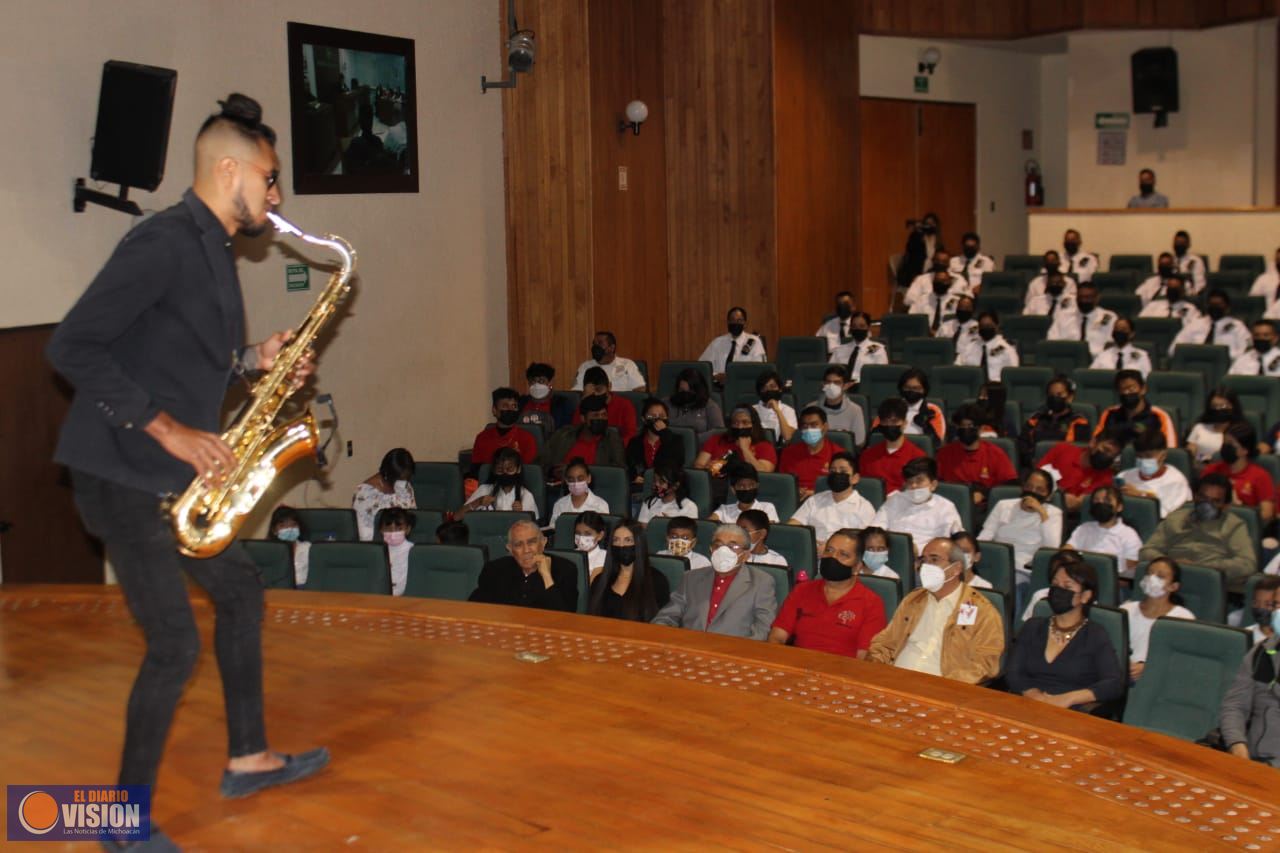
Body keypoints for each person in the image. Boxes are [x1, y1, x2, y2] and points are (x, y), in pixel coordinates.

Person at [45, 93, 327, 824]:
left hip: (168, 474)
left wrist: (251, 361)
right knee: (172, 644)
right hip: (120, 470)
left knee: (238, 594)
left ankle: (248, 757)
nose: (276, 193)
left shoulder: (211, 248)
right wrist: (168, 429)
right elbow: (70, 345)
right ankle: (119, 820)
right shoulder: (164, 241)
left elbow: (173, 356)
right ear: (227, 167)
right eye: (268, 176)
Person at [866, 537, 1004, 683]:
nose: (926, 566)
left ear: (956, 569)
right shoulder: (913, 600)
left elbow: (985, 663)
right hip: (895, 678)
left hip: (942, 687)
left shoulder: (981, 610)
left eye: (934, 559)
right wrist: (876, 669)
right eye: (923, 560)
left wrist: (946, 687)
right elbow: (885, 643)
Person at [1007, 553, 1125, 711]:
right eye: (1055, 585)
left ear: (1085, 596)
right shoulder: (1033, 626)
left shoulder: (1095, 634)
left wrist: (1068, 699)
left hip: (1070, 712)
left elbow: (1113, 683)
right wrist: (1035, 695)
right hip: (1028, 705)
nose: (1058, 591)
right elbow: (1014, 672)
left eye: (1067, 587)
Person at [769, 529, 887, 658]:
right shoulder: (802, 590)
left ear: (857, 567)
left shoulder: (871, 603)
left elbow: (864, 657)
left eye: (843, 554)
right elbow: (777, 637)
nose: (833, 558)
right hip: (798, 667)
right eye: (829, 550)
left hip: (841, 673)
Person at [651, 524, 778, 639]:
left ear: (746, 555)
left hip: (732, 654)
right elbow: (667, 616)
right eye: (718, 545)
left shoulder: (761, 582)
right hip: (689, 648)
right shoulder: (691, 578)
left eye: (733, 546)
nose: (723, 551)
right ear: (711, 549)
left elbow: (763, 629)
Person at [1140, 473, 1256, 590]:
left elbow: (1247, 564)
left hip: (1208, 584)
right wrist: (1171, 564)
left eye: (1215, 501)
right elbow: (1147, 550)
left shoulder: (1234, 525)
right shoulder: (1176, 518)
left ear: (1225, 506)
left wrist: (1200, 568)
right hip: (1169, 580)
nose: (1207, 505)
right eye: (1203, 498)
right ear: (1195, 496)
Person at [978, 469, 1063, 588]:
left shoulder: (1053, 513)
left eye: (1039, 490)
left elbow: (1052, 548)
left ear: (1048, 496)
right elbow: (985, 537)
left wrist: (1042, 512)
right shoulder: (1004, 505)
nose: (1032, 492)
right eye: (1029, 486)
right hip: (996, 564)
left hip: (1024, 569)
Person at [470, 519, 578, 611]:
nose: (526, 550)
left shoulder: (565, 570)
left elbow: (565, 618)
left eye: (531, 542)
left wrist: (547, 576)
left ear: (543, 542)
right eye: (518, 545)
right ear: (510, 549)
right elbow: (474, 608)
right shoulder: (494, 570)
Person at [1120, 557, 1194, 681]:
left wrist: (1148, 668)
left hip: (1158, 679)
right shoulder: (1126, 609)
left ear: (1173, 586)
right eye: (1149, 573)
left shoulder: (1183, 618)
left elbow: (1181, 659)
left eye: (1160, 576)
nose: (1151, 579)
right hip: (1120, 675)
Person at [870, 458, 964, 556]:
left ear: (933, 484)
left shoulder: (946, 508)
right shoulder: (895, 500)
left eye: (919, 481)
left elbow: (955, 542)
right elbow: (875, 530)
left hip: (928, 561)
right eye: (910, 482)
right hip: (892, 556)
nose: (914, 486)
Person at [1220, 624, 1280, 767]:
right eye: (1276, 605)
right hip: (1251, 759)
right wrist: (1236, 744)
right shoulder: (1263, 651)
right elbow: (1235, 706)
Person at [789, 452, 876, 550]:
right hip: (810, 551)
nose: (837, 474)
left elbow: (865, 542)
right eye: (833, 471)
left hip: (842, 557)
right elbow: (793, 525)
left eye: (843, 471)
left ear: (855, 478)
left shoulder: (864, 507)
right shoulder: (815, 500)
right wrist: (809, 544)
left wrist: (830, 549)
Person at [936, 404, 1017, 508]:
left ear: (981, 428)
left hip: (985, 508)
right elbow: (936, 483)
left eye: (970, 426)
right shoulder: (944, 453)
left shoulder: (996, 454)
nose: (966, 429)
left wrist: (985, 494)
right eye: (962, 426)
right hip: (951, 506)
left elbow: (1010, 485)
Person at [587, 521, 670, 620]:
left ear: (639, 544)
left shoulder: (657, 581)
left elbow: (663, 622)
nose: (621, 545)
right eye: (616, 540)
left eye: (628, 540)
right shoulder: (600, 580)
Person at [1201, 421, 1276, 527]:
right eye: (1224, 442)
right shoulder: (1211, 470)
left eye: (1230, 444)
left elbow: (1267, 515)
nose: (1225, 447)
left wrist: (1240, 509)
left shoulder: (1260, 476)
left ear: (1244, 450)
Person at [540, 395, 626, 482]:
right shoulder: (563, 435)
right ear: (583, 418)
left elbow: (619, 471)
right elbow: (541, 463)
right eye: (595, 415)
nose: (601, 418)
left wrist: (573, 472)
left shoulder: (612, 439)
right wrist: (552, 472)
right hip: (558, 488)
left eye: (604, 415)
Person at [1035, 431, 1123, 513]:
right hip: (1036, 505)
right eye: (1106, 450)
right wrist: (1058, 497)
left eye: (1113, 455)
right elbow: (1035, 480)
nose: (1107, 457)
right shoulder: (1062, 450)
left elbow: (1074, 504)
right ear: (1093, 443)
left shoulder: (1106, 476)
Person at [1064, 485, 1142, 578]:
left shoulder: (1129, 535)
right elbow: (1066, 552)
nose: (1101, 503)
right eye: (1096, 500)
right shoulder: (1084, 528)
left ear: (1119, 507)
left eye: (1107, 501)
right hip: (1079, 579)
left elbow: (1131, 571)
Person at [1092, 369, 1178, 449]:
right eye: (1122, 389)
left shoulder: (1160, 416)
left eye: (1131, 388)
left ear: (1143, 389)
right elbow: (1095, 443)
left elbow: (1170, 449)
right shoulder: (1109, 413)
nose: (1126, 393)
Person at [1116, 428, 1191, 518]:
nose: (1143, 460)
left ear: (1163, 455)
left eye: (1148, 456)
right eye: (1139, 456)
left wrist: (1140, 495)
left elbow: (1164, 515)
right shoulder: (1123, 476)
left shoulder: (1176, 481)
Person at [1016, 376, 1090, 467]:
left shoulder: (1079, 422)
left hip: (1066, 466)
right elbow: (1022, 444)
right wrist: (1031, 460)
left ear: (1070, 397)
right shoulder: (1036, 419)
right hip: (1036, 466)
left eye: (1059, 394)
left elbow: (1080, 449)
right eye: (1051, 395)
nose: (1055, 398)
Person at [858, 399, 926, 494]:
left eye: (894, 421)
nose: (889, 425)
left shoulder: (918, 457)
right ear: (880, 424)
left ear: (904, 423)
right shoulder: (867, 455)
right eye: (885, 422)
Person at [457, 447, 540, 519]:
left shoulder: (525, 495)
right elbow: (457, 517)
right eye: (500, 470)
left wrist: (521, 515)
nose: (505, 473)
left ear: (518, 469)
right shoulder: (484, 489)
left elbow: (535, 527)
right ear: (494, 470)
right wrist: (478, 502)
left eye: (509, 469)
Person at [694, 405, 777, 476]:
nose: (740, 427)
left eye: (745, 422)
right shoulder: (716, 439)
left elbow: (763, 473)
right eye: (735, 423)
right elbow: (698, 466)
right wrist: (707, 468)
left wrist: (745, 449)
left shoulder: (765, 446)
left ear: (754, 424)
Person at [353, 448, 416, 541]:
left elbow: (412, 515)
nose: (403, 482)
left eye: (407, 477)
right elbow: (365, 535)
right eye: (400, 478)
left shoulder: (404, 485)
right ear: (388, 474)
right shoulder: (365, 494)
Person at [779, 406, 841, 498]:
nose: (808, 429)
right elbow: (783, 483)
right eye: (805, 426)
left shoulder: (838, 454)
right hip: (795, 500)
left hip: (826, 500)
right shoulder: (788, 452)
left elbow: (842, 487)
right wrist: (794, 491)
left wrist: (815, 493)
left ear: (825, 427)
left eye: (814, 425)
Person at [1170, 289, 1249, 360]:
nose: (1214, 307)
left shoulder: (1237, 326)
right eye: (1211, 304)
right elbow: (1173, 349)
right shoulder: (1195, 324)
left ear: (1227, 308)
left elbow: (1246, 352)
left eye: (1218, 304)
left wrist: (1219, 355)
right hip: (1195, 364)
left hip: (1226, 366)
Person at [471, 387, 538, 469]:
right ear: (494, 410)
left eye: (514, 406)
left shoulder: (527, 438)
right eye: (505, 406)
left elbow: (530, 472)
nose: (510, 409)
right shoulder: (482, 438)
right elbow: (476, 471)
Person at [571, 366, 638, 445]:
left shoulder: (625, 405)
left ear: (609, 386)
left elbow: (631, 437)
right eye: (591, 391)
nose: (595, 394)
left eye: (599, 390)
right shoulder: (583, 406)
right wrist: (585, 403)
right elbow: (574, 434)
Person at [1047, 281, 1115, 356]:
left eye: (1088, 297)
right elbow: (1052, 340)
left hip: (1096, 360)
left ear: (1097, 298)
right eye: (1081, 297)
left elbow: (1111, 344)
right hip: (1068, 358)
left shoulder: (1109, 317)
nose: (1084, 301)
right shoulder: (1063, 316)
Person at [625, 397, 685, 483]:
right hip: (640, 488)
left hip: (665, 486)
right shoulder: (635, 442)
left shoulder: (675, 441)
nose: (657, 419)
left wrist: (665, 433)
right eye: (652, 416)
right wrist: (633, 477)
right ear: (644, 419)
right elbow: (629, 467)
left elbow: (674, 465)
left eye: (661, 416)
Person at [700, 306, 766, 383]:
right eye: (732, 320)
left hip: (743, 386)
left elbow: (758, 369)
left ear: (745, 323)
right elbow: (703, 366)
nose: (735, 323)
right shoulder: (717, 342)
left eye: (739, 320)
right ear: (728, 322)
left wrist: (734, 376)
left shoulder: (754, 342)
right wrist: (716, 376)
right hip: (719, 388)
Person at [804, 364, 866, 445]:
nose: (831, 386)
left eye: (837, 382)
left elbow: (859, 443)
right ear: (823, 385)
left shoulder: (855, 410)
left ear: (845, 386)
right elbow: (805, 439)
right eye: (828, 382)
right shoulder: (810, 408)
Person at [665, 366, 725, 445]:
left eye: (690, 391)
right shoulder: (666, 403)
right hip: (670, 447)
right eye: (682, 391)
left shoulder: (710, 406)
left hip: (700, 449)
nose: (686, 395)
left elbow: (719, 432)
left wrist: (691, 439)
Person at [1185, 388, 1244, 465]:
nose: (1218, 409)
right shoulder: (1199, 427)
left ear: (1233, 407)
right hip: (1200, 469)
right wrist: (1205, 458)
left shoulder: (1240, 431)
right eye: (1214, 406)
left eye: (1223, 406)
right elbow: (1192, 454)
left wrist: (1208, 459)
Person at [572, 330, 646, 391]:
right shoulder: (585, 366)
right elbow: (576, 392)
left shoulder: (627, 364)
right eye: (594, 343)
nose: (595, 346)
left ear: (612, 348)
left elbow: (640, 389)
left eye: (600, 343)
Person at [828, 311, 888, 386]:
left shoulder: (878, 349)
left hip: (865, 386)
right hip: (840, 386)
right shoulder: (839, 350)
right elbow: (830, 372)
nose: (858, 329)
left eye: (862, 326)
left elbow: (880, 375)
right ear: (850, 328)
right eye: (854, 326)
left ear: (868, 327)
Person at [956, 311, 1019, 382]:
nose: (985, 329)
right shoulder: (970, 347)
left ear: (997, 326)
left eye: (988, 326)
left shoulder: (1006, 349)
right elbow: (957, 367)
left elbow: (1013, 375)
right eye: (982, 326)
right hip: (971, 386)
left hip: (996, 388)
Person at [548, 458, 611, 525]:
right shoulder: (560, 504)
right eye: (571, 480)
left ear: (589, 478)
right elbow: (553, 529)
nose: (576, 483)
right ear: (566, 481)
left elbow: (603, 532)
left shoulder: (600, 505)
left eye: (580, 479)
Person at [710, 463, 779, 523]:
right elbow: (709, 526)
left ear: (757, 486)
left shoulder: (767, 508)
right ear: (733, 489)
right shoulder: (724, 510)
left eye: (751, 485)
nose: (747, 489)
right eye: (742, 486)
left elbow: (770, 533)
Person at [518, 362, 574, 435]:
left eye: (541, 381)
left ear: (550, 382)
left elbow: (565, 432)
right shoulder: (522, 402)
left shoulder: (562, 404)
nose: (537, 384)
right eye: (533, 381)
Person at [908, 266, 967, 334]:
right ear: (933, 282)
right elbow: (912, 318)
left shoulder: (958, 302)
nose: (940, 283)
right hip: (923, 335)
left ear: (950, 283)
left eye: (944, 281)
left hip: (947, 336)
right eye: (938, 280)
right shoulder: (921, 300)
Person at [892, 368, 946, 441]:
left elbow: (938, 442)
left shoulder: (933, 411)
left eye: (916, 388)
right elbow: (876, 436)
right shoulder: (890, 407)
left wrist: (926, 426)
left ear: (924, 390)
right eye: (907, 387)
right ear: (901, 388)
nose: (911, 391)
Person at [896, 212, 944, 289]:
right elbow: (911, 253)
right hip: (914, 271)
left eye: (932, 224)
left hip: (931, 271)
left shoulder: (938, 241)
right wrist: (917, 232)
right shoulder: (917, 236)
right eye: (927, 223)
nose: (929, 226)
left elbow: (940, 258)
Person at [270, 505, 311, 587]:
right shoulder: (268, 551)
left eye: (293, 525)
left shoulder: (308, 548)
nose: (289, 529)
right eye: (283, 526)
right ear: (274, 530)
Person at [752, 369, 797, 443]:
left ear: (780, 389)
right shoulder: (752, 410)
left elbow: (787, 436)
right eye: (764, 388)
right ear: (760, 391)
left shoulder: (788, 410)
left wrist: (778, 411)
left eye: (772, 386)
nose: (768, 390)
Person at [378, 507, 415, 597]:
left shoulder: (413, 551)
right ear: (381, 530)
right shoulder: (377, 551)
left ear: (408, 529)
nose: (393, 533)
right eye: (388, 529)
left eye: (398, 529)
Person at [572, 510, 611, 582]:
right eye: (578, 533)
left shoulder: (604, 556)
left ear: (600, 535)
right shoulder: (570, 555)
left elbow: (589, 587)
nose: (581, 538)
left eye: (587, 534)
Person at [1171, 230, 1206, 295]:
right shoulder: (1169, 261)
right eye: (1177, 242)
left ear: (1188, 245)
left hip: (1190, 296)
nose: (1179, 245)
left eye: (1182, 243)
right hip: (1172, 296)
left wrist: (1192, 295)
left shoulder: (1195, 261)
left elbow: (1200, 284)